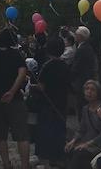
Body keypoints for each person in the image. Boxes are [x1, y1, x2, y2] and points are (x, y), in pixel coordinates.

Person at [0, 28, 30, 169]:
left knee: (0, 136)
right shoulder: (17, 55)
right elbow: (22, 73)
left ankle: (6, 164)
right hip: (16, 99)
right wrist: (12, 91)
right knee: (22, 135)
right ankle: (25, 165)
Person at [35, 37, 70, 167]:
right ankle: (59, 157)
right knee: (59, 131)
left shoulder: (47, 66)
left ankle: (45, 159)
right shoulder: (65, 65)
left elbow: (41, 87)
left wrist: (32, 86)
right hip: (62, 102)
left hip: (47, 104)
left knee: (46, 131)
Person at [64, 80, 101, 169]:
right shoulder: (85, 109)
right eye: (87, 89)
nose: (89, 92)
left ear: (98, 93)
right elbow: (81, 129)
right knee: (68, 148)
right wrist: (73, 141)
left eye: (93, 90)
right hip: (85, 142)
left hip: (98, 145)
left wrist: (87, 144)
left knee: (79, 154)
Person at [70, 27, 98, 108]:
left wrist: (70, 77)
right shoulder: (88, 47)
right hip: (86, 78)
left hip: (81, 80)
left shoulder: (82, 49)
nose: (75, 36)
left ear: (81, 36)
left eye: (76, 34)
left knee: (81, 102)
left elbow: (77, 66)